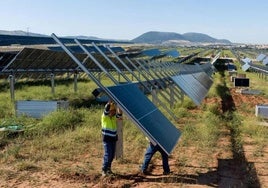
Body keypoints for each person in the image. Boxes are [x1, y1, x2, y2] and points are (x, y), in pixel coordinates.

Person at [101, 100, 122, 177]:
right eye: (112, 111)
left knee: (112, 155)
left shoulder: (113, 118)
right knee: (108, 154)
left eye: (114, 111)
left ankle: (109, 169)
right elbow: (106, 110)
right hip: (107, 139)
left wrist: (119, 105)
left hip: (113, 139)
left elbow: (120, 114)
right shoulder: (105, 117)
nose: (113, 112)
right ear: (109, 111)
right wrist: (108, 104)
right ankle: (104, 170)